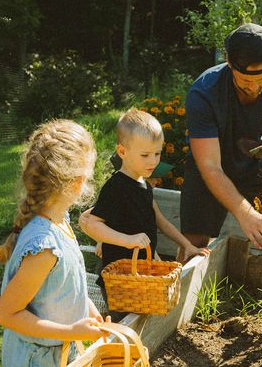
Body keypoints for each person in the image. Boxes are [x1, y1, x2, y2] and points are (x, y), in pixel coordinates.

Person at [0, 120, 106, 367]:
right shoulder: (44, 246)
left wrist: (91, 316)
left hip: (57, 348)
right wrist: (72, 330)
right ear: (78, 182)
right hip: (35, 363)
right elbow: (7, 314)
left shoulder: (61, 219)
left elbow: (70, 283)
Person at [179, 23, 262, 261]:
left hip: (256, 160)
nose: (255, 87)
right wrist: (244, 212)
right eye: (245, 81)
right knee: (192, 244)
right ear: (229, 63)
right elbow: (210, 167)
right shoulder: (203, 93)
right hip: (210, 164)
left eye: (261, 79)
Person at [79, 108, 209, 317]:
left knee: (145, 319)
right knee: (123, 322)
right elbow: (92, 224)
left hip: (141, 273)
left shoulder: (144, 186)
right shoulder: (116, 187)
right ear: (122, 152)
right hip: (119, 278)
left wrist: (187, 246)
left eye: (157, 153)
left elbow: (160, 222)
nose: (153, 161)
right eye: (145, 155)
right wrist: (126, 240)